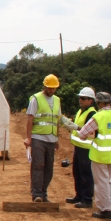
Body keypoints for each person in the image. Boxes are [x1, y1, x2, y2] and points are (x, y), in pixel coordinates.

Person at [23, 74, 76, 202]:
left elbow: (56, 120)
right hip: (38, 137)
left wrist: (56, 138)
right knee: (38, 165)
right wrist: (29, 138)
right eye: (49, 88)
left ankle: (44, 193)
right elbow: (30, 119)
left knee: (48, 168)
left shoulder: (57, 100)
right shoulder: (36, 98)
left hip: (51, 139)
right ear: (44, 86)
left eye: (54, 88)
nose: (51, 90)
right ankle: (36, 194)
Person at [75, 91, 111, 219]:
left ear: (99, 103)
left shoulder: (99, 116)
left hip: (99, 154)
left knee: (101, 182)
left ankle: (105, 209)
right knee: (108, 181)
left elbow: (82, 133)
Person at [66, 87, 97, 208]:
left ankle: (87, 199)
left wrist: (75, 128)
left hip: (86, 148)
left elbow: (88, 131)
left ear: (91, 100)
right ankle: (79, 195)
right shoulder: (80, 111)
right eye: (80, 98)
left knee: (85, 174)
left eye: (83, 98)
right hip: (78, 147)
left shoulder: (92, 113)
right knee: (77, 173)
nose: (81, 100)